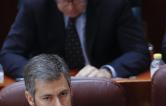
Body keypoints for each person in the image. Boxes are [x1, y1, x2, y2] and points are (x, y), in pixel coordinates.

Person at [0, 0, 149, 79]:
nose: (71, 7)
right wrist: (38, 74)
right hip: (49, 88)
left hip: (99, 86)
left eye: (77, 1)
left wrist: (107, 71)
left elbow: (138, 52)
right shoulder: (35, 5)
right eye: (65, 1)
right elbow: (9, 53)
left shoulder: (114, 4)